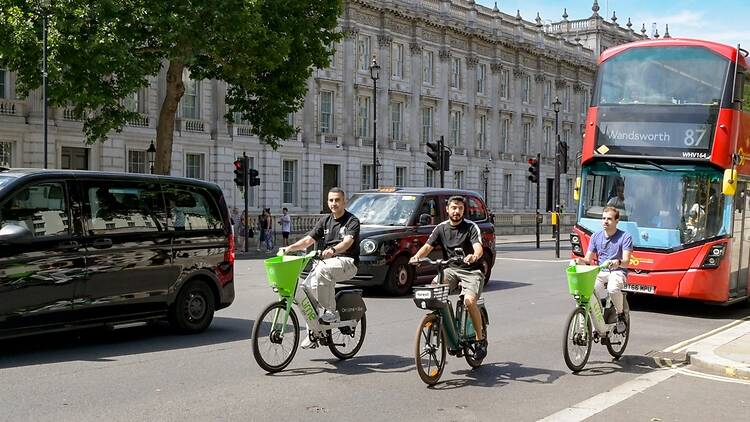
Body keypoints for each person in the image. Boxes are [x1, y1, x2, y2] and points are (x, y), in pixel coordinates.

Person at [408, 195, 487, 360]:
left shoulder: (471, 227)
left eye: (460, 208)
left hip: (471, 271)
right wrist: (416, 257)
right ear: (447, 209)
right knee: (433, 290)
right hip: (450, 269)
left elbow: (478, 247)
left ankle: (480, 340)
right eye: (453, 208)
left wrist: (474, 256)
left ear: (464, 210)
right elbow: (427, 247)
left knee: (469, 301)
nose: (456, 211)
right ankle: (446, 328)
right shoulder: (441, 228)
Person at [279, 187, 360, 349]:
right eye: (331, 200)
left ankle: (331, 311)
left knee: (323, 269)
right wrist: (289, 248)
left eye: (337, 200)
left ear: (344, 201)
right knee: (305, 293)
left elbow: (347, 242)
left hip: (346, 262)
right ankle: (314, 333)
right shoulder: (325, 221)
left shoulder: (352, 221)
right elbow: (308, 240)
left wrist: (333, 250)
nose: (334, 203)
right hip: (326, 262)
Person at [575, 206, 633, 333]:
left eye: (609, 219)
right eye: (603, 218)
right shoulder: (596, 236)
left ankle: (620, 314)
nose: (605, 221)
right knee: (588, 292)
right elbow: (587, 260)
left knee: (612, 288)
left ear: (617, 221)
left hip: (617, 271)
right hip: (601, 271)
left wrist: (617, 262)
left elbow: (626, 262)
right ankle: (596, 321)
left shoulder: (625, 237)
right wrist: (579, 261)